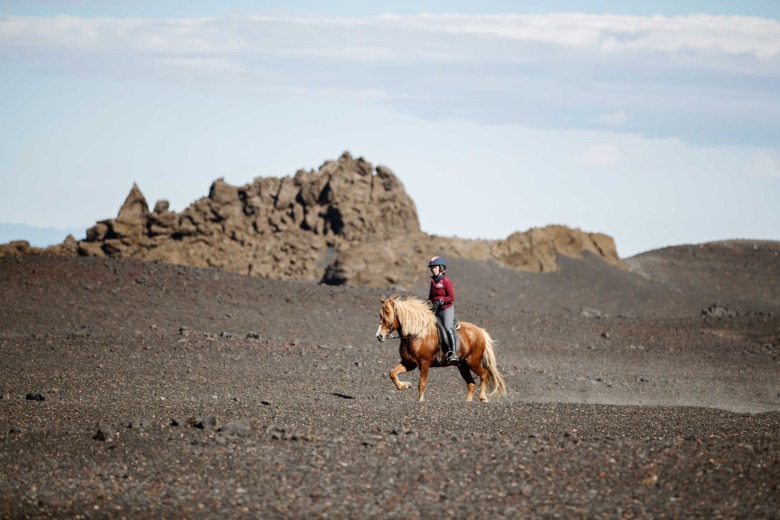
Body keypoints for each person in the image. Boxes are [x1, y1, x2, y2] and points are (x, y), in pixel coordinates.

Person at [427, 256, 459, 364]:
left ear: (441, 268)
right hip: (436, 309)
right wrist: (429, 302)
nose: (433, 269)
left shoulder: (447, 281)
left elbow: (452, 297)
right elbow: (431, 296)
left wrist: (441, 300)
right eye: (432, 268)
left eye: (435, 267)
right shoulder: (432, 281)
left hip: (446, 309)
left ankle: (453, 353)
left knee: (447, 328)